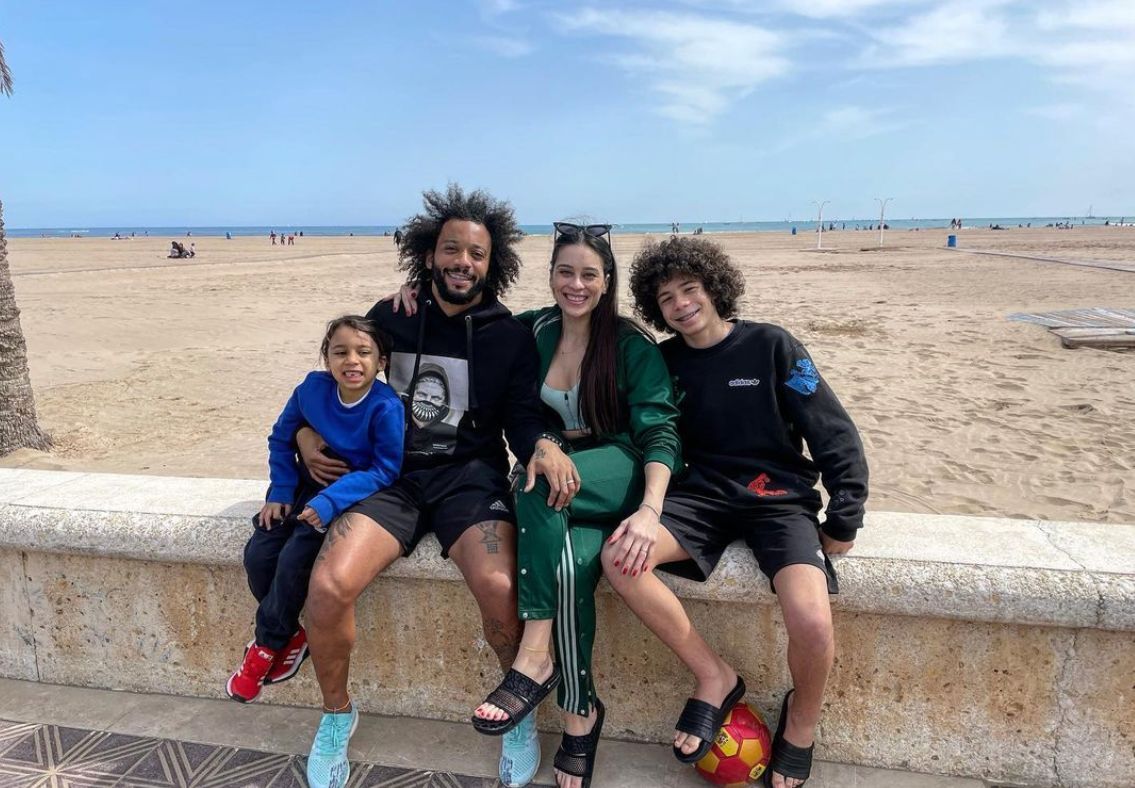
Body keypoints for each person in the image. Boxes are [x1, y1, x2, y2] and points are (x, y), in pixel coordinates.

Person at [298, 185, 576, 788]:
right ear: (428, 255)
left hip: (469, 480)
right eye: (451, 250)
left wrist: (544, 444)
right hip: (388, 477)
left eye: (476, 254)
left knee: (501, 588)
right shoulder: (390, 316)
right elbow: (338, 378)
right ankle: (336, 715)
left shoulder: (507, 337)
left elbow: (523, 417)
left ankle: (518, 710)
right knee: (327, 586)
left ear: (491, 262)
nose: (462, 263)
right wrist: (302, 436)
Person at [396, 221, 682, 788]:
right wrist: (412, 294)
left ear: (607, 281)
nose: (575, 284)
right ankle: (581, 716)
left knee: (534, 480)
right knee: (571, 565)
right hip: (559, 475)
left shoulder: (630, 344)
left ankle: (533, 654)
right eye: (564, 272)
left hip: (616, 467)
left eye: (589, 275)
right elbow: (467, 322)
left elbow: (660, 431)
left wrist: (650, 510)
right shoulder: (532, 329)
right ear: (550, 275)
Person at [615, 236, 867, 788]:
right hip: (699, 498)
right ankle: (715, 676)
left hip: (777, 500)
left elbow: (833, 430)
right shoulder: (663, 362)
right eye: (666, 298)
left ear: (714, 288)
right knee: (620, 560)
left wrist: (845, 515)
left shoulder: (774, 346)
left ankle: (799, 727)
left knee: (812, 620)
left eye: (690, 289)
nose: (681, 304)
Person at [227, 315, 403, 704]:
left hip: (348, 495)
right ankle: (291, 634)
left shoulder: (386, 407)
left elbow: (385, 469)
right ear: (326, 358)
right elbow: (280, 437)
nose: (351, 361)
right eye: (340, 352)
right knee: (259, 554)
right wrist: (281, 490)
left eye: (363, 353)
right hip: (302, 485)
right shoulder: (311, 390)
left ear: (382, 362)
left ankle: (265, 647)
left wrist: (328, 502)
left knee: (295, 557)